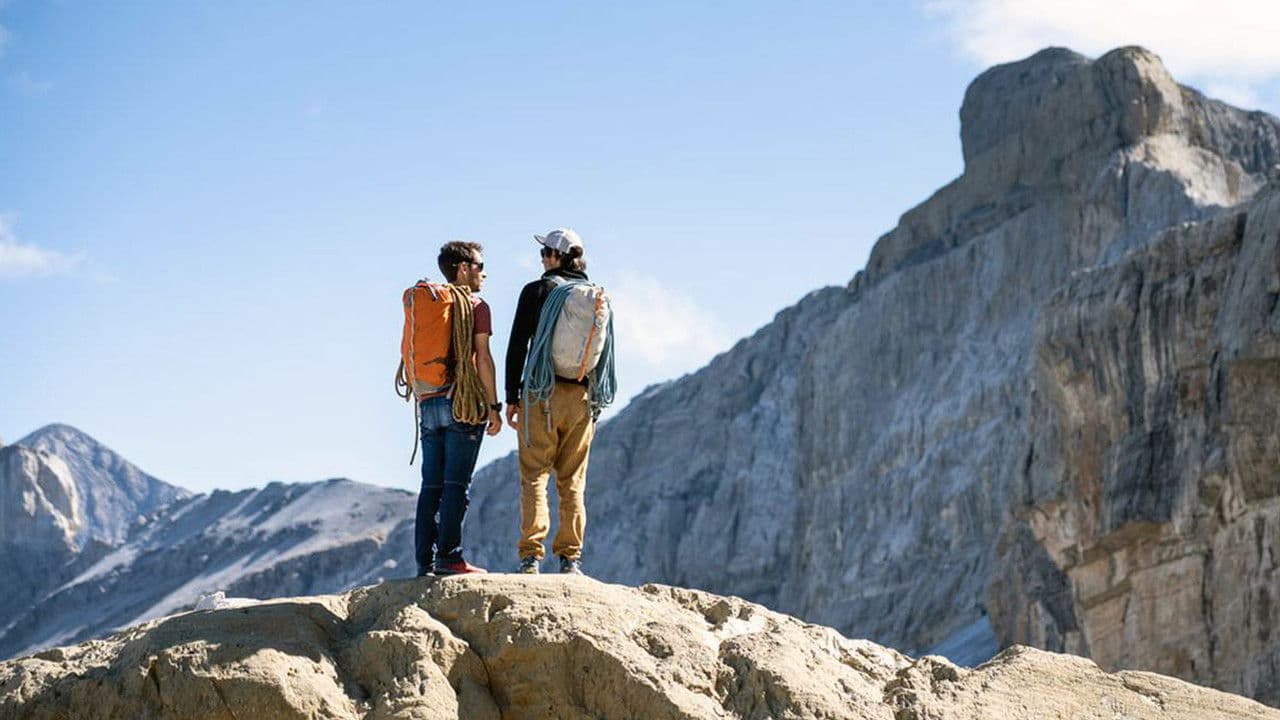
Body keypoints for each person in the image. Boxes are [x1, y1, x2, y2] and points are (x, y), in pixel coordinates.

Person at [505, 228, 598, 575]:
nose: (542, 259)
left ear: (556, 257)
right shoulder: (595, 297)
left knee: (534, 476)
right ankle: (570, 558)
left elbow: (518, 346)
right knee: (572, 481)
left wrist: (511, 397)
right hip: (582, 398)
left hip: (541, 394)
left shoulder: (538, 291)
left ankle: (531, 555)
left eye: (545, 253)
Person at [413, 241, 503, 576]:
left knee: (430, 486)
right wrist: (493, 406)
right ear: (463, 268)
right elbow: (483, 358)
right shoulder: (476, 306)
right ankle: (449, 557)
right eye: (480, 265)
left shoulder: (431, 305)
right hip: (460, 404)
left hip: (428, 402)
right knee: (455, 486)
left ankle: (425, 560)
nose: (484, 272)